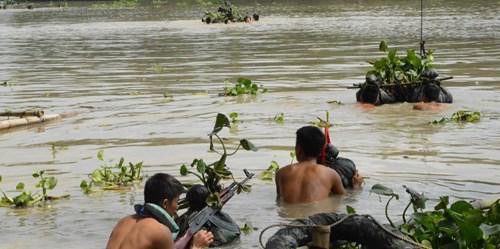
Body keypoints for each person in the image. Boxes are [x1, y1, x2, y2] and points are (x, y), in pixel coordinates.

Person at [106, 173, 214, 249]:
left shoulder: (123, 222)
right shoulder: (160, 230)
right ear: (165, 203)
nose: (177, 207)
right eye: (177, 201)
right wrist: (197, 246)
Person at [275, 126, 346, 204]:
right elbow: (343, 198)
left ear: (298, 149)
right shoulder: (330, 174)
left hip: (288, 215)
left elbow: (279, 200)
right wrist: (356, 187)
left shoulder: (281, 173)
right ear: (321, 151)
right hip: (317, 215)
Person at [176, 185, 241, 247]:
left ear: (188, 201)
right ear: (208, 199)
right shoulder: (220, 216)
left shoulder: (182, 220)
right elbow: (237, 231)